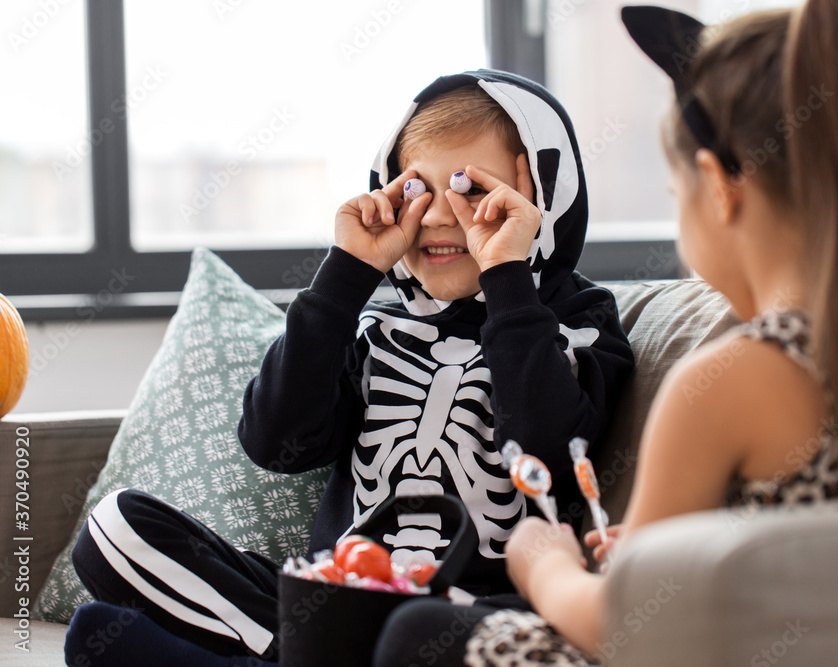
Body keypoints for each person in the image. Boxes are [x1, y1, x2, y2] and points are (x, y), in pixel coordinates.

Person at [372, 2, 838, 665]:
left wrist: (547, 566)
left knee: (414, 634)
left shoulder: (730, 379)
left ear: (718, 186)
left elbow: (630, 625)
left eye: (675, 192)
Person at [64, 70, 634, 666]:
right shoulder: (375, 326)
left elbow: (545, 447)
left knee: (107, 637)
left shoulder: (580, 320)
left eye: (470, 191)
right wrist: (344, 278)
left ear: (541, 198)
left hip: (468, 616)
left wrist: (509, 279)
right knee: (116, 528)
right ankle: (303, 651)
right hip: (334, 598)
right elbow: (274, 440)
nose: (439, 216)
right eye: (416, 192)